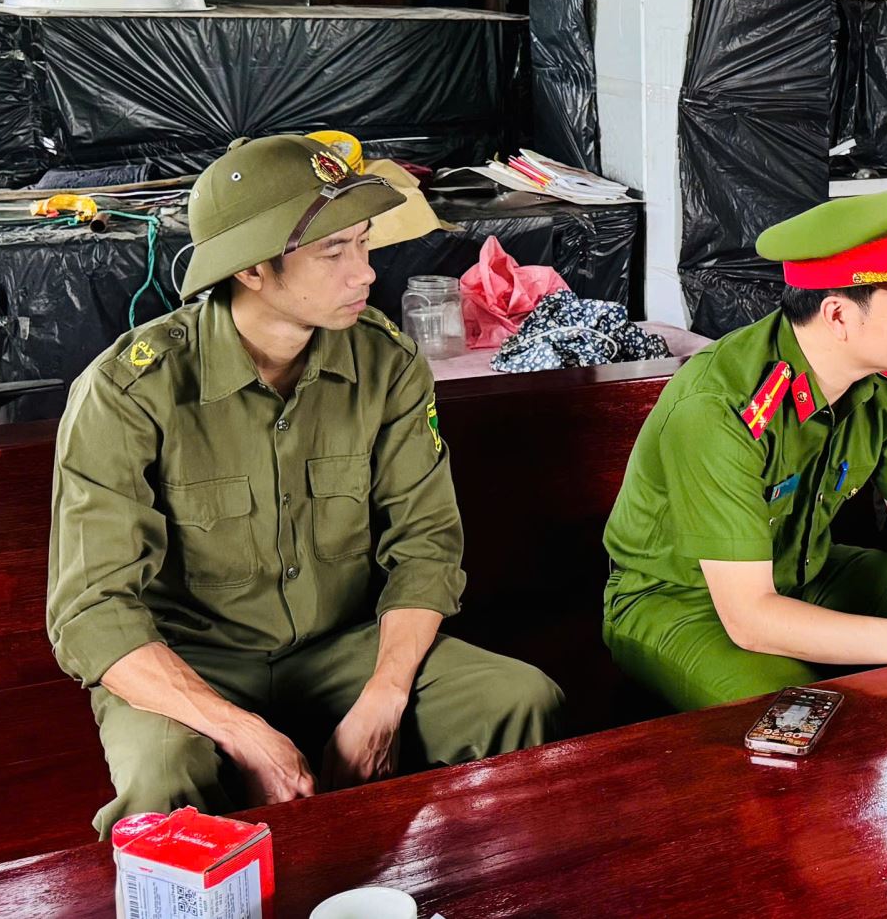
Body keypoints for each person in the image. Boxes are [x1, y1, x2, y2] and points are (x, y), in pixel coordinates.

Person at [47, 135, 563, 836]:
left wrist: (385, 693)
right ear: (253, 268)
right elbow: (91, 610)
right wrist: (240, 730)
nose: (366, 273)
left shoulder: (386, 364)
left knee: (520, 700)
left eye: (364, 243)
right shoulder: (129, 391)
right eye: (333, 251)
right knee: (163, 781)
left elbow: (426, 547)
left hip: (345, 646)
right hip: (192, 665)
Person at [602, 174, 887, 712]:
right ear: (838, 315)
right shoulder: (720, 407)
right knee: (802, 714)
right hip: (681, 601)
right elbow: (749, 616)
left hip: (806, 570)